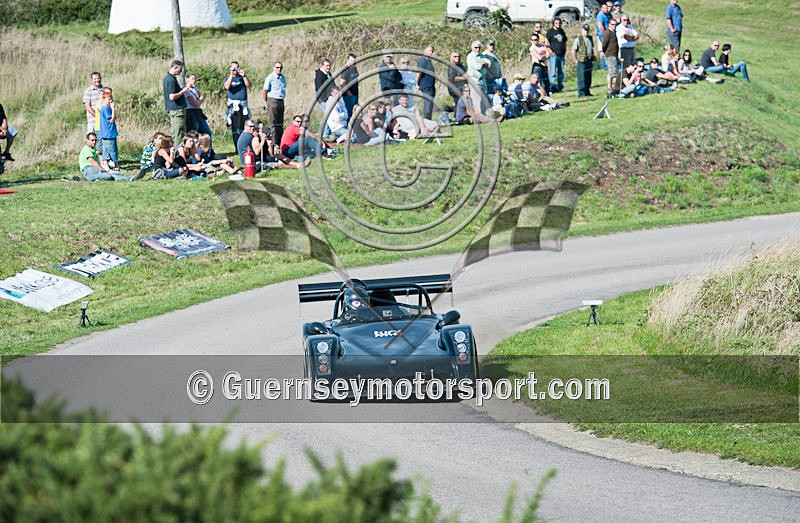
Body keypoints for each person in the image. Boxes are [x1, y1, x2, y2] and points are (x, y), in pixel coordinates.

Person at [224, 61, 251, 153]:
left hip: (243, 106)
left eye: (237, 68)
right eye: (233, 68)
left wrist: (244, 76)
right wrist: (231, 74)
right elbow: (227, 87)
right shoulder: (228, 78)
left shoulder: (242, 78)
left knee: (245, 126)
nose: (235, 70)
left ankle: (246, 145)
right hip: (234, 106)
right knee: (235, 128)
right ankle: (237, 148)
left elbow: (249, 85)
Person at [261, 61, 287, 146]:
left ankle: (280, 143)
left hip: (280, 100)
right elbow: (264, 91)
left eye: (280, 68)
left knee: (280, 124)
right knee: (272, 124)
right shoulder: (270, 78)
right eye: (277, 67)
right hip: (272, 100)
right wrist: (266, 102)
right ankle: (273, 144)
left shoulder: (282, 77)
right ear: (273, 68)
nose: (279, 69)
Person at [163, 59, 188, 144]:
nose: (180, 72)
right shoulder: (170, 80)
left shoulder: (171, 78)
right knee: (179, 134)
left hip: (176, 110)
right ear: (175, 67)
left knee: (178, 133)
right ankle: (179, 154)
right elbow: (172, 96)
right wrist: (183, 91)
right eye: (179, 70)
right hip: (177, 111)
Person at [82, 72, 105, 155]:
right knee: (91, 139)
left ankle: (103, 158)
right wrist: (97, 116)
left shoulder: (104, 90)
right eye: (95, 79)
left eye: (98, 78)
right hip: (93, 120)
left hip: (103, 120)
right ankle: (89, 156)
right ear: (92, 80)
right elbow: (88, 107)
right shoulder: (88, 91)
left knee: (102, 140)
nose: (97, 80)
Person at [184, 72, 212, 139]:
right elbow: (195, 104)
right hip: (191, 112)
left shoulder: (194, 88)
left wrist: (199, 100)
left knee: (207, 132)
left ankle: (208, 148)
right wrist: (199, 100)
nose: (194, 80)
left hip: (198, 112)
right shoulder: (186, 90)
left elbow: (201, 96)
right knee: (194, 133)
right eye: (192, 79)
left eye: (195, 79)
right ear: (187, 79)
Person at [572, 24, 597, 98]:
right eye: (585, 30)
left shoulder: (590, 38)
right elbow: (574, 50)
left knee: (588, 77)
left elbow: (591, 48)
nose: (586, 32)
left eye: (587, 30)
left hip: (589, 60)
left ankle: (587, 91)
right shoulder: (578, 39)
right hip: (581, 61)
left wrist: (593, 56)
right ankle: (581, 93)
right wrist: (575, 60)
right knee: (581, 78)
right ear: (582, 30)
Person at [98, 90, 119, 169]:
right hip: (109, 133)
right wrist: (113, 108)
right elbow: (111, 119)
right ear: (104, 99)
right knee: (112, 150)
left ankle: (106, 166)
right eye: (108, 99)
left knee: (106, 151)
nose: (110, 101)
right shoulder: (105, 109)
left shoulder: (105, 108)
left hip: (106, 133)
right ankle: (116, 166)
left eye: (111, 99)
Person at [314, 58, 334, 139]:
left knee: (330, 114)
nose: (328, 67)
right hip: (323, 99)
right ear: (322, 65)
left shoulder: (328, 74)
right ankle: (325, 133)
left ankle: (327, 132)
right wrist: (326, 98)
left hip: (330, 98)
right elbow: (319, 88)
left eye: (329, 66)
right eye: (327, 66)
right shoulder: (319, 75)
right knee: (327, 114)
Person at [546, 18, 568, 93]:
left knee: (561, 71)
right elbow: (546, 43)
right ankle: (551, 86)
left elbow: (564, 41)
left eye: (559, 23)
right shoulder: (550, 32)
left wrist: (565, 50)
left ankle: (560, 86)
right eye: (556, 23)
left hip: (561, 54)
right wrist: (550, 51)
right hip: (553, 55)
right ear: (553, 23)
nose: (558, 24)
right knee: (552, 72)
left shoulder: (562, 31)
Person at [416, 44, 437, 121]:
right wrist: (417, 84)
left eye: (431, 51)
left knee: (430, 105)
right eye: (429, 51)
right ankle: (427, 121)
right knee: (427, 106)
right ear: (425, 50)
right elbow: (419, 74)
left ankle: (429, 120)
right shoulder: (422, 60)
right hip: (426, 86)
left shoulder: (429, 61)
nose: (430, 53)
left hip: (431, 86)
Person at [602, 18, 621, 95]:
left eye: (615, 25)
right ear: (609, 25)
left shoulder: (614, 32)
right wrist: (605, 52)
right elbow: (604, 44)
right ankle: (613, 88)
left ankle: (610, 87)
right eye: (612, 24)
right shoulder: (608, 32)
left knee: (611, 72)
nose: (614, 26)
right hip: (610, 54)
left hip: (614, 54)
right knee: (613, 73)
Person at [340, 53, 360, 119]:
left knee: (355, 113)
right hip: (349, 95)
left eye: (354, 61)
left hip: (355, 93)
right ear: (347, 60)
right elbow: (342, 84)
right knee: (350, 114)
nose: (353, 62)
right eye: (351, 60)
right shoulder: (345, 70)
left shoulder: (354, 68)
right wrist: (349, 94)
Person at [595, 1, 611, 69]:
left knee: (607, 49)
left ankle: (606, 64)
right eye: (605, 8)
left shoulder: (606, 15)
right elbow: (600, 25)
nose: (606, 9)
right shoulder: (600, 15)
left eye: (607, 8)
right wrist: (605, 33)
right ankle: (604, 65)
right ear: (601, 8)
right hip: (602, 34)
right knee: (604, 49)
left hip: (605, 34)